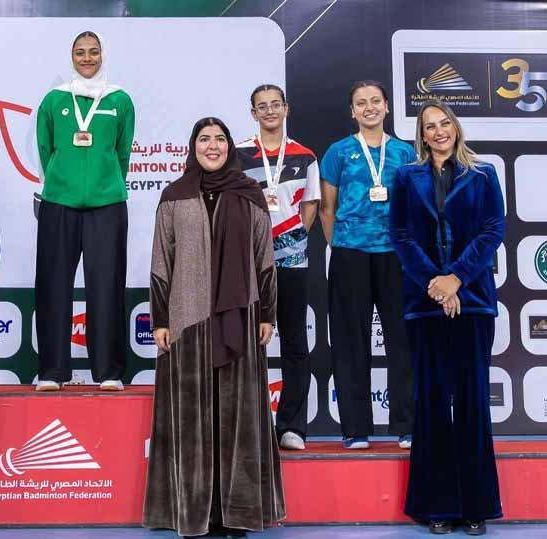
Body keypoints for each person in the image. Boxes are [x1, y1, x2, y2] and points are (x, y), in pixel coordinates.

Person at [143, 117, 285, 538]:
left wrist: (266, 313)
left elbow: (264, 257)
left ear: (230, 147)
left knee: (236, 419)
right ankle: (194, 514)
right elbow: (161, 260)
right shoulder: (174, 195)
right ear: (193, 147)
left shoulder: (249, 193)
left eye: (220, 139)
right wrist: (161, 319)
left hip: (240, 320)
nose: (212, 146)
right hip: (187, 322)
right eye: (204, 139)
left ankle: (236, 513)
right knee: (192, 421)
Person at [390, 100, 504, 536]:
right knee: (433, 401)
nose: (438, 131)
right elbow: (401, 235)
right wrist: (436, 285)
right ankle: (436, 505)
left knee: (473, 401)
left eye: (444, 123)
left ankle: (475, 506)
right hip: (424, 303)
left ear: (455, 127)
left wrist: (456, 279)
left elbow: (492, 231)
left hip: (473, 299)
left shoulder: (484, 174)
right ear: (420, 135)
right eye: (429, 126)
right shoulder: (406, 177)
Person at [34, 30, 135, 391]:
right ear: (72, 57)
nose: (87, 58)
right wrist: (62, 180)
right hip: (58, 203)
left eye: (93, 52)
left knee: (107, 286)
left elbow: (122, 153)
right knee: (53, 285)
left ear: (102, 55)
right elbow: (45, 149)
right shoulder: (54, 100)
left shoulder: (120, 100)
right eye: (80, 52)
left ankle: (108, 372)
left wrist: (104, 183)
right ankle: (52, 371)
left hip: (107, 205)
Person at [319, 80, 416, 450]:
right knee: (350, 341)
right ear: (352, 111)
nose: (369, 107)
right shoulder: (338, 152)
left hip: (396, 255)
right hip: (350, 255)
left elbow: (414, 205)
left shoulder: (405, 152)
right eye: (361, 103)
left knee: (402, 340)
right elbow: (327, 208)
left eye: (375, 101)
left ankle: (406, 425)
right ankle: (355, 429)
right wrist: (343, 245)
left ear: (387, 106)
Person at [237, 84, 321, 451]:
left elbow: (311, 206)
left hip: (292, 260)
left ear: (286, 109)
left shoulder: (305, 156)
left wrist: (290, 242)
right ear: (253, 113)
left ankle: (292, 427)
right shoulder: (239, 154)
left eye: (275, 104)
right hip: (248, 262)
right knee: (246, 343)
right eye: (262, 106)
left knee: (294, 342)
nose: (269, 111)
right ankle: (249, 425)